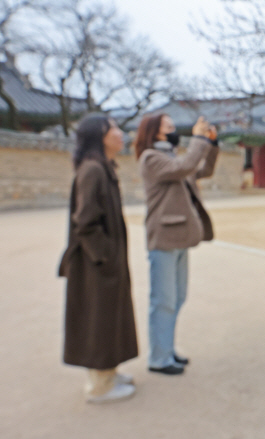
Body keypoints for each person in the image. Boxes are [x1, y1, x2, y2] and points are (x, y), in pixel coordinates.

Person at [58, 114, 138, 404]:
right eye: (113, 128)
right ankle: (100, 386)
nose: (120, 133)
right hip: (95, 264)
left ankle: (109, 371)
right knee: (99, 318)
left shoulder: (103, 168)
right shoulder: (92, 170)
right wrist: (105, 255)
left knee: (110, 316)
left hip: (104, 262)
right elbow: (85, 222)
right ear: (99, 136)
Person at [135, 114, 219, 375]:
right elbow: (185, 167)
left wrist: (212, 145)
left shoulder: (173, 158)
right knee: (163, 300)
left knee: (177, 297)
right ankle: (159, 359)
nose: (174, 132)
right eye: (169, 128)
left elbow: (201, 170)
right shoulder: (151, 158)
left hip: (179, 237)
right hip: (163, 238)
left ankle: (167, 350)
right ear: (155, 133)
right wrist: (198, 139)